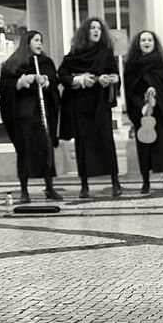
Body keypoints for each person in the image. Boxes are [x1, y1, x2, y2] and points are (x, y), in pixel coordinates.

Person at [58, 17, 122, 199]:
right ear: (85, 32)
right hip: (80, 104)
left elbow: (115, 75)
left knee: (106, 142)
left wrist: (109, 80)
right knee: (83, 145)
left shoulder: (106, 53)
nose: (96, 31)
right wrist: (78, 80)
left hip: (100, 104)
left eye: (99, 29)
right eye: (92, 28)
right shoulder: (74, 53)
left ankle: (115, 182)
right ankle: (84, 185)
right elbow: (62, 74)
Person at [0, 30, 61, 202]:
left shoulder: (46, 62)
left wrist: (46, 82)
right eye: (36, 40)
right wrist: (21, 82)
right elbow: (4, 87)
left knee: (45, 149)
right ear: (27, 43)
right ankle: (24, 190)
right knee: (24, 151)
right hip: (24, 115)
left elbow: (54, 84)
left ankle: (49, 187)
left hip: (42, 113)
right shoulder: (13, 64)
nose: (40, 44)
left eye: (41, 40)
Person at [123, 30, 163, 195]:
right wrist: (142, 105)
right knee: (143, 148)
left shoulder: (161, 64)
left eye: (150, 40)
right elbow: (129, 90)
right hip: (141, 114)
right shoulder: (131, 65)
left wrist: (156, 98)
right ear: (138, 44)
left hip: (159, 113)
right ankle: (145, 182)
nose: (146, 43)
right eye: (143, 40)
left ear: (154, 43)